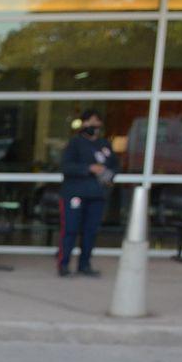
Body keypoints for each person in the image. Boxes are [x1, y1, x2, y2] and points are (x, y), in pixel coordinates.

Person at [58, 109, 118, 278]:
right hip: (74, 194)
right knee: (70, 230)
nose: (93, 126)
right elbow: (66, 167)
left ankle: (85, 264)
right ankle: (63, 264)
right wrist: (88, 168)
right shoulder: (74, 144)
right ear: (83, 123)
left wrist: (109, 175)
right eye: (89, 122)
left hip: (97, 196)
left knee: (90, 231)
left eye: (96, 122)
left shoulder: (104, 145)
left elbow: (115, 166)